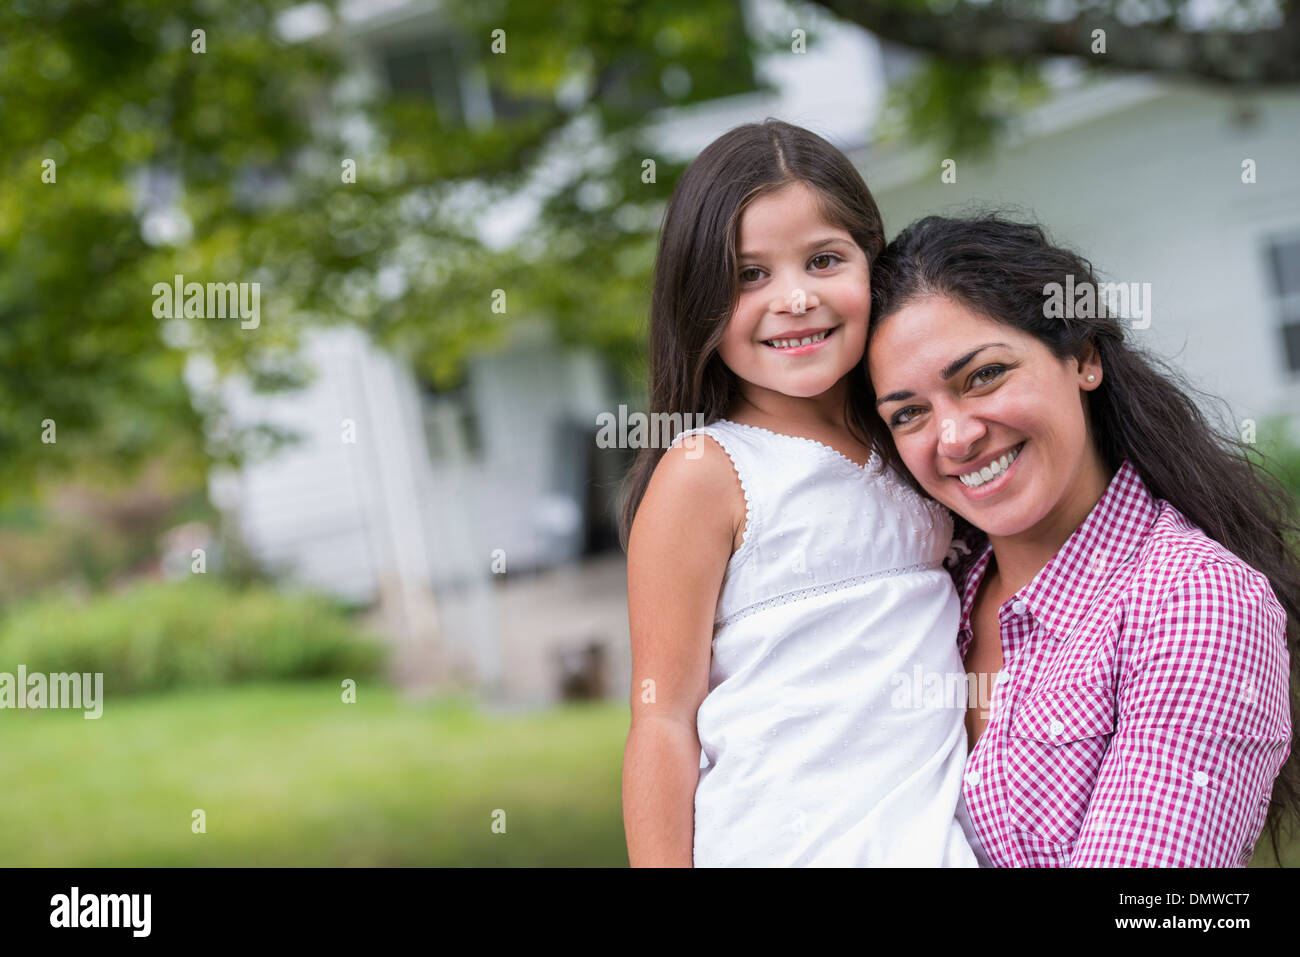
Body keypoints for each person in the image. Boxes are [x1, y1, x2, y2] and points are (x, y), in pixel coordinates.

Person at [866, 213, 1300, 866]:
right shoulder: (924, 596)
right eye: (909, 413)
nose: (954, 436)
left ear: (1084, 357)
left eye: (983, 375)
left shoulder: (1194, 601)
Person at [620, 120, 978, 867]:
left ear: (872, 264)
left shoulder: (915, 438)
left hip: (929, 839)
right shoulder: (707, 470)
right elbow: (662, 719)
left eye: (823, 260)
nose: (793, 299)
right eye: (749, 274)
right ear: (699, 298)